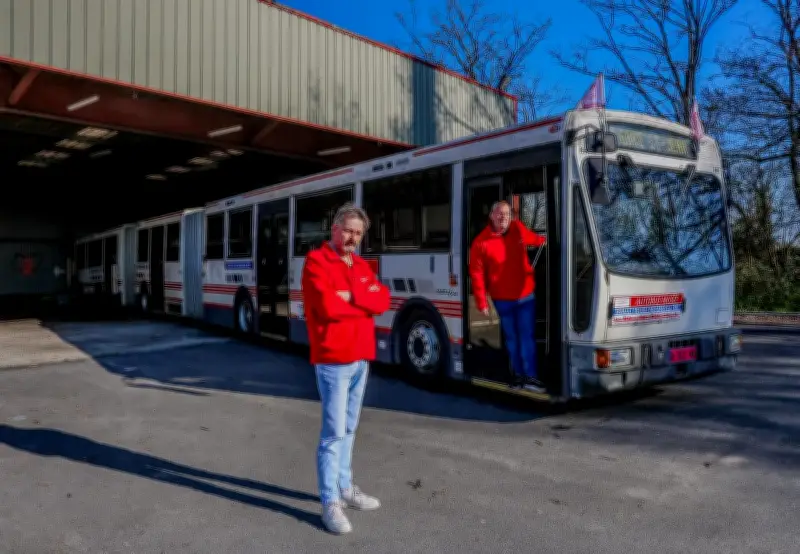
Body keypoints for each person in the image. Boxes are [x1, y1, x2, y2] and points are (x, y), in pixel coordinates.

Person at [301, 203, 390, 535]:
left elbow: (382, 300)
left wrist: (352, 295)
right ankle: (329, 503)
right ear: (334, 228)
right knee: (333, 433)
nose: (353, 237)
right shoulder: (316, 262)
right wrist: (361, 299)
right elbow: (326, 307)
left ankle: (346, 487)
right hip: (333, 360)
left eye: (358, 233)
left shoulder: (363, 266)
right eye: (348, 230)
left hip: (360, 358)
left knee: (350, 427)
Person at [469, 200, 547, 390]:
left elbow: (535, 239)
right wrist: (482, 303)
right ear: (491, 216)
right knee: (512, 339)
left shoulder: (518, 229)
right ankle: (519, 377)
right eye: (499, 213)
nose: (503, 217)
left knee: (526, 337)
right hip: (502, 299)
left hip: (525, 296)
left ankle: (531, 378)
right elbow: (477, 275)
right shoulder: (480, 243)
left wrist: (544, 240)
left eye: (506, 213)